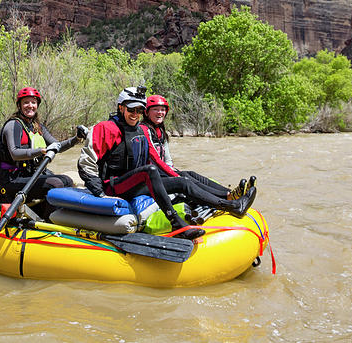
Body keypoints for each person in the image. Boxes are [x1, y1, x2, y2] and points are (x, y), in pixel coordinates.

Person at [77, 86, 256, 240]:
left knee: (183, 181)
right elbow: (86, 163)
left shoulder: (138, 129)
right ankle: (177, 224)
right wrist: (101, 194)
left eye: (140, 110)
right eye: (131, 110)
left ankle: (232, 205)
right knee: (150, 170)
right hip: (113, 186)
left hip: (134, 183)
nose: (136, 114)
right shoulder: (106, 128)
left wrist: (175, 175)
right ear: (120, 108)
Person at [0, 87, 88, 215]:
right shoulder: (13, 125)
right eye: (26, 102)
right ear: (19, 105)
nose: (30, 106)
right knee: (55, 184)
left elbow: (56, 145)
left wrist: (77, 138)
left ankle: (56, 215)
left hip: (29, 175)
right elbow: (15, 153)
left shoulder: (37, 126)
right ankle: (50, 220)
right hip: (11, 180)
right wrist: (41, 151)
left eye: (33, 102)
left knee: (67, 180)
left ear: (37, 105)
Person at [142, 94, 255, 201]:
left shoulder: (160, 130)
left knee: (190, 174)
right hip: (152, 176)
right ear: (146, 112)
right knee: (186, 178)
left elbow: (167, 158)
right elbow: (155, 159)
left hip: (162, 172)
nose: (160, 112)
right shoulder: (144, 130)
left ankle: (231, 192)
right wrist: (175, 175)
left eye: (162, 110)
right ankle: (227, 197)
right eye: (155, 109)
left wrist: (172, 169)